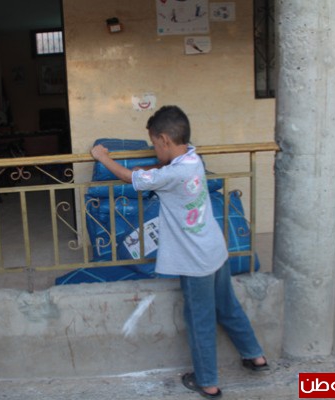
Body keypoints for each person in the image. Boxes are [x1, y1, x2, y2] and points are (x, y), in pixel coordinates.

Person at [91, 105, 268, 399]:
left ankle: (208, 382)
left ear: (163, 140)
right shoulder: (192, 159)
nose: (153, 150)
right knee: (227, 306)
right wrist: (150, 168)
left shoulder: (171, 175)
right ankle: (255, 355)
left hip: (195, 261)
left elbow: (130, 178)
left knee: (200, 320)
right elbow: (160, 171)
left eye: (153, 144)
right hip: (215, 250)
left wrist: (102, 157)